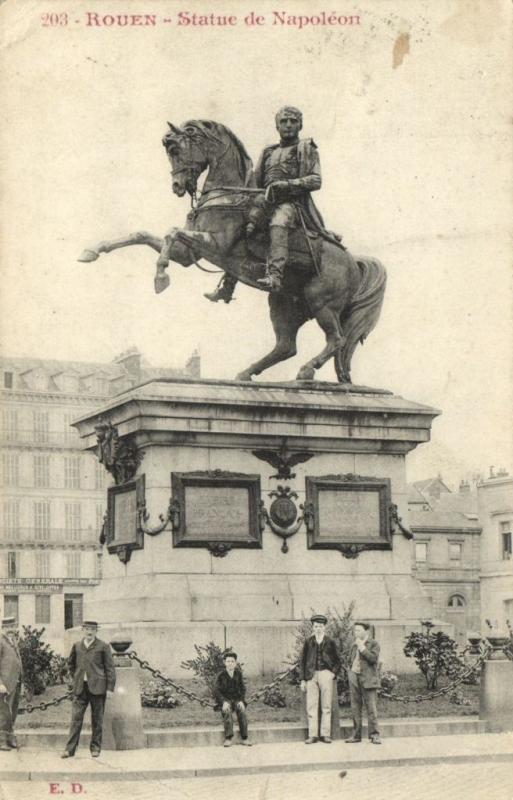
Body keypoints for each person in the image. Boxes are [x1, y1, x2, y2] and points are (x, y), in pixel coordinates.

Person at [204, 105, 325, 302]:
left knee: (279, 222)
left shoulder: (305, 148)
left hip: (292, 204)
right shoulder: (269, 151)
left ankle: (275, 276)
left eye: (293, 121)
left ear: (300, 125)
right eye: (283, 121)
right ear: (277, 126)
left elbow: (315, 180)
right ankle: (227, 287)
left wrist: (286, 184)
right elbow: (256, 181)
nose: (288, 125)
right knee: (241, 228)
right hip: (265, 202)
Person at [61, 621, 116, 758]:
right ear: (83, 630)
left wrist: (109, 688)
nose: (89, 632)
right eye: (87, 629)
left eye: (92, 629)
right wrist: (76, 678)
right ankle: (69, 749)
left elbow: (110, 668)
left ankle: (95, 748)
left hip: (98, 688)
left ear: (96, 631)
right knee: (76, 719)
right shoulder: (77, 646)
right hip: (80, 688)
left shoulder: (103, 646)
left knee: (97, 719)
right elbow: (71, 664)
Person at [300, 614, 341, 744]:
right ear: (313, 627)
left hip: (325, 674)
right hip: (311, 676)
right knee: (311, 706)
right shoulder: (308, 642)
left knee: (326, 705)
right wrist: (302, 679)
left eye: (321, 626)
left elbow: (338, 661)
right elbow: (303, 661)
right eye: (316, 626)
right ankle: (313, 735)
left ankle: (325, 734)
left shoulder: (330, 642)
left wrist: (332, 673)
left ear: (324, 627)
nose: (318, 629)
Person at [346, 621, 381, 745]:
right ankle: (356, 735)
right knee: (355, 707)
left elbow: (373, 659)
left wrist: (362, 648)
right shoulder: (354, 644)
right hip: (354, 677)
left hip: (368, 679)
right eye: (355, 630)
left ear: (366, 631)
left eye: (359, 630)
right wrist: (350, 672)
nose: (356, 633)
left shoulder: (374, 643)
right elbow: (350, 659)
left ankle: (374, 735)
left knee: (371, 708)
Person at [214, 651, 252, 747]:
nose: (230, 663)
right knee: (227, 711)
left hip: (236, 700)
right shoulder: (221, 675)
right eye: (228, 661)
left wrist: (241, 701)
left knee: (242, 711)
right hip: (225, 700)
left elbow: (242, 689)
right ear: (224, 663)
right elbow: (217, 691)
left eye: (232, 661)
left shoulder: (238, 674)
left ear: (235, 663)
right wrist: (223, 702)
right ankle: (228, 738)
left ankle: (245, 738)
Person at [0, 617, 23, 751]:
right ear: (3, 628)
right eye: (7, 627)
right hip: (5, 684)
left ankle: (9, 738)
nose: (10, 630)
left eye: (12, 627)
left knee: (12, 712)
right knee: (3, 713)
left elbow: (17, 662)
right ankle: (1, 741)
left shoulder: (13, 641)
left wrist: (22, 680)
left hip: (16, 682)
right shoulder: (1, 641)